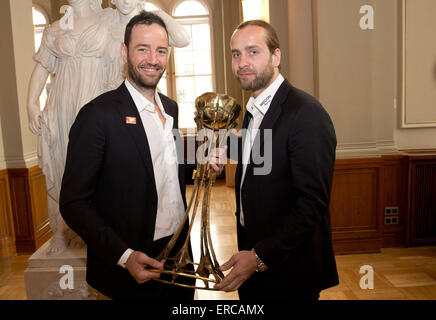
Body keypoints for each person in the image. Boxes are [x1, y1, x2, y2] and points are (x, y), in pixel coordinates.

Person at [59, 11, 195, 300]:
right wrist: (124, 255)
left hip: (180, 259)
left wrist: (205, 163)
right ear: (124, 52)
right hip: (129, 267)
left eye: (160, 50)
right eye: (142, 49)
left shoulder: (170, 108)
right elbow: (73, 203)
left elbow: (167, 167)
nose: (152, 59)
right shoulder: (97, 115)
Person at [214, 20, 339, 300]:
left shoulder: (306, 113)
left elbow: (312, 204)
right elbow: (265, 151)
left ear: (276, 56)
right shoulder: (254, 108)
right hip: (252, 255)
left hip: (290, 268)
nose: (242, 62)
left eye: (253, 52)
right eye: (236, 54)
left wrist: (259, 256)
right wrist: (225, 148)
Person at [27, 0, 109, 255]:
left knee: (102, 170)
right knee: (62, 166)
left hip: (97, 100)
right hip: (62, 104)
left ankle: (100, 233)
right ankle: (62, 233)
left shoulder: (109, 21)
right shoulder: (55, 29)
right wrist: (31, 104)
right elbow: (42, 67)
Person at [105, 0, 190, 90]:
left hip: (146, 92)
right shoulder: (105, 25)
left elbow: (183, 40)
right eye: (142, 49)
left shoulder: (152, 27)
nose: (126, 1)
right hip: (114, 91)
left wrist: (159, 14)